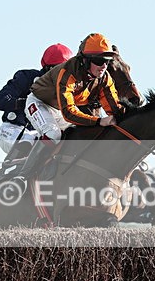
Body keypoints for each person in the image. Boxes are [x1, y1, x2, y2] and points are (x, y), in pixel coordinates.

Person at [11, 33, 125, 191]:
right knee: (53, 134)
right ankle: (22, 177)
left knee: (82, 134)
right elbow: (70, 113)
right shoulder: (68, 73)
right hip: (39, 103)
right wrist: (99, 121)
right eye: (99, 61)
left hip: (59, 109)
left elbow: (114, 108)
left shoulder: (104, 78)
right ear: (85, 60)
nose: (104, 66)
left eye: (107, 61)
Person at [0, 43, 74, 156]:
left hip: (41, 133)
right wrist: (27, 102)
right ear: (47, 68)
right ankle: (13, 172)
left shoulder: (70, 86)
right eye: (57, 69)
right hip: (14, 130)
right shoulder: (26, 78)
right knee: (29, 142)